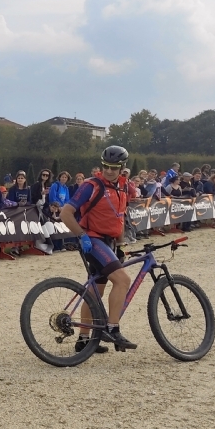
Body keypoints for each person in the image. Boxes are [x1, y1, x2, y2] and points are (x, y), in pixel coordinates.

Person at [59, 145, 137, 353]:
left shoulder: (122, 186)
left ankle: (84, 340)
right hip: (92, 240)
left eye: (114, 167)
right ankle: (112, 328)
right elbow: (65, 213)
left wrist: (120, 245)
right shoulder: (91, 185)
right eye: (105, 166)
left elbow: (119, 217)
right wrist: (81, 235)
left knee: (95, 291)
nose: (109, 171)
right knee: (123, 280)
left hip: (109, 242)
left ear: (122, 168)